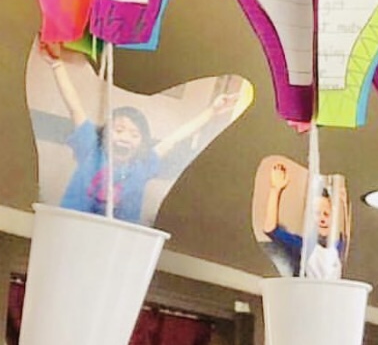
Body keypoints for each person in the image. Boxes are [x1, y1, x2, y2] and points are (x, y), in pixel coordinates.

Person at [42, 44, 240, 224]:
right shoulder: (91, 148)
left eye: (134, 134)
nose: (125, 137)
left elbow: (174, 138)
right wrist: (56, 64)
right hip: (72, 227)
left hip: (117, 239)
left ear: (141, 144)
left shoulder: (143, 165)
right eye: (119, 130)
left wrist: (212, 111)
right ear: (105, 134)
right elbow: (75, 108)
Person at [260, 160, 345, 279]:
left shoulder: (339, 244)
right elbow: (270, 229)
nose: (322, 219)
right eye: (317, 214)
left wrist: (343, 203)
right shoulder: (303, 246)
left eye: (326, 214)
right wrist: (275, 190)